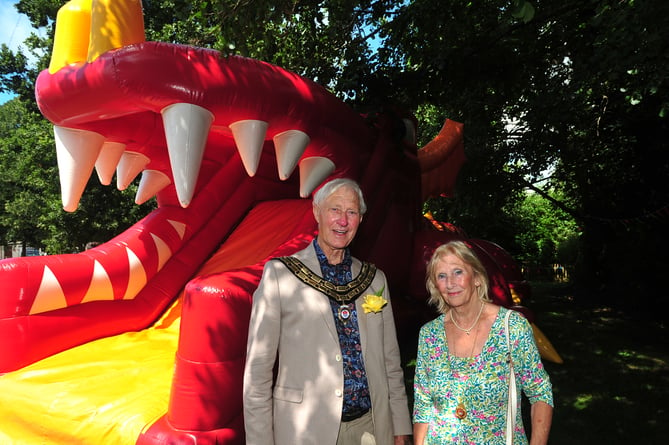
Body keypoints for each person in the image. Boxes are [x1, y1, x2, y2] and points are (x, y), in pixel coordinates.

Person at [243, 178, 413, 445]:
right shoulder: (280, 275)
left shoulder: (375, 279)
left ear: (361, 219)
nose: (343, 221)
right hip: (305, 430)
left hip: (370, 428)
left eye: (352, 212)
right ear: (316, 212)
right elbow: (258, 373)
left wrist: (400, 426)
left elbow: (391, 363)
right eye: (335, 209)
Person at [413, 241, 553, 445]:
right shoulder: (429, 335)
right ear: (435, 286)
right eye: (441, 276)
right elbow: (423, 404)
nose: (450, 283)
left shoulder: (511, 327)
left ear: (477, 278)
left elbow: (540, 392)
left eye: (458, 272)